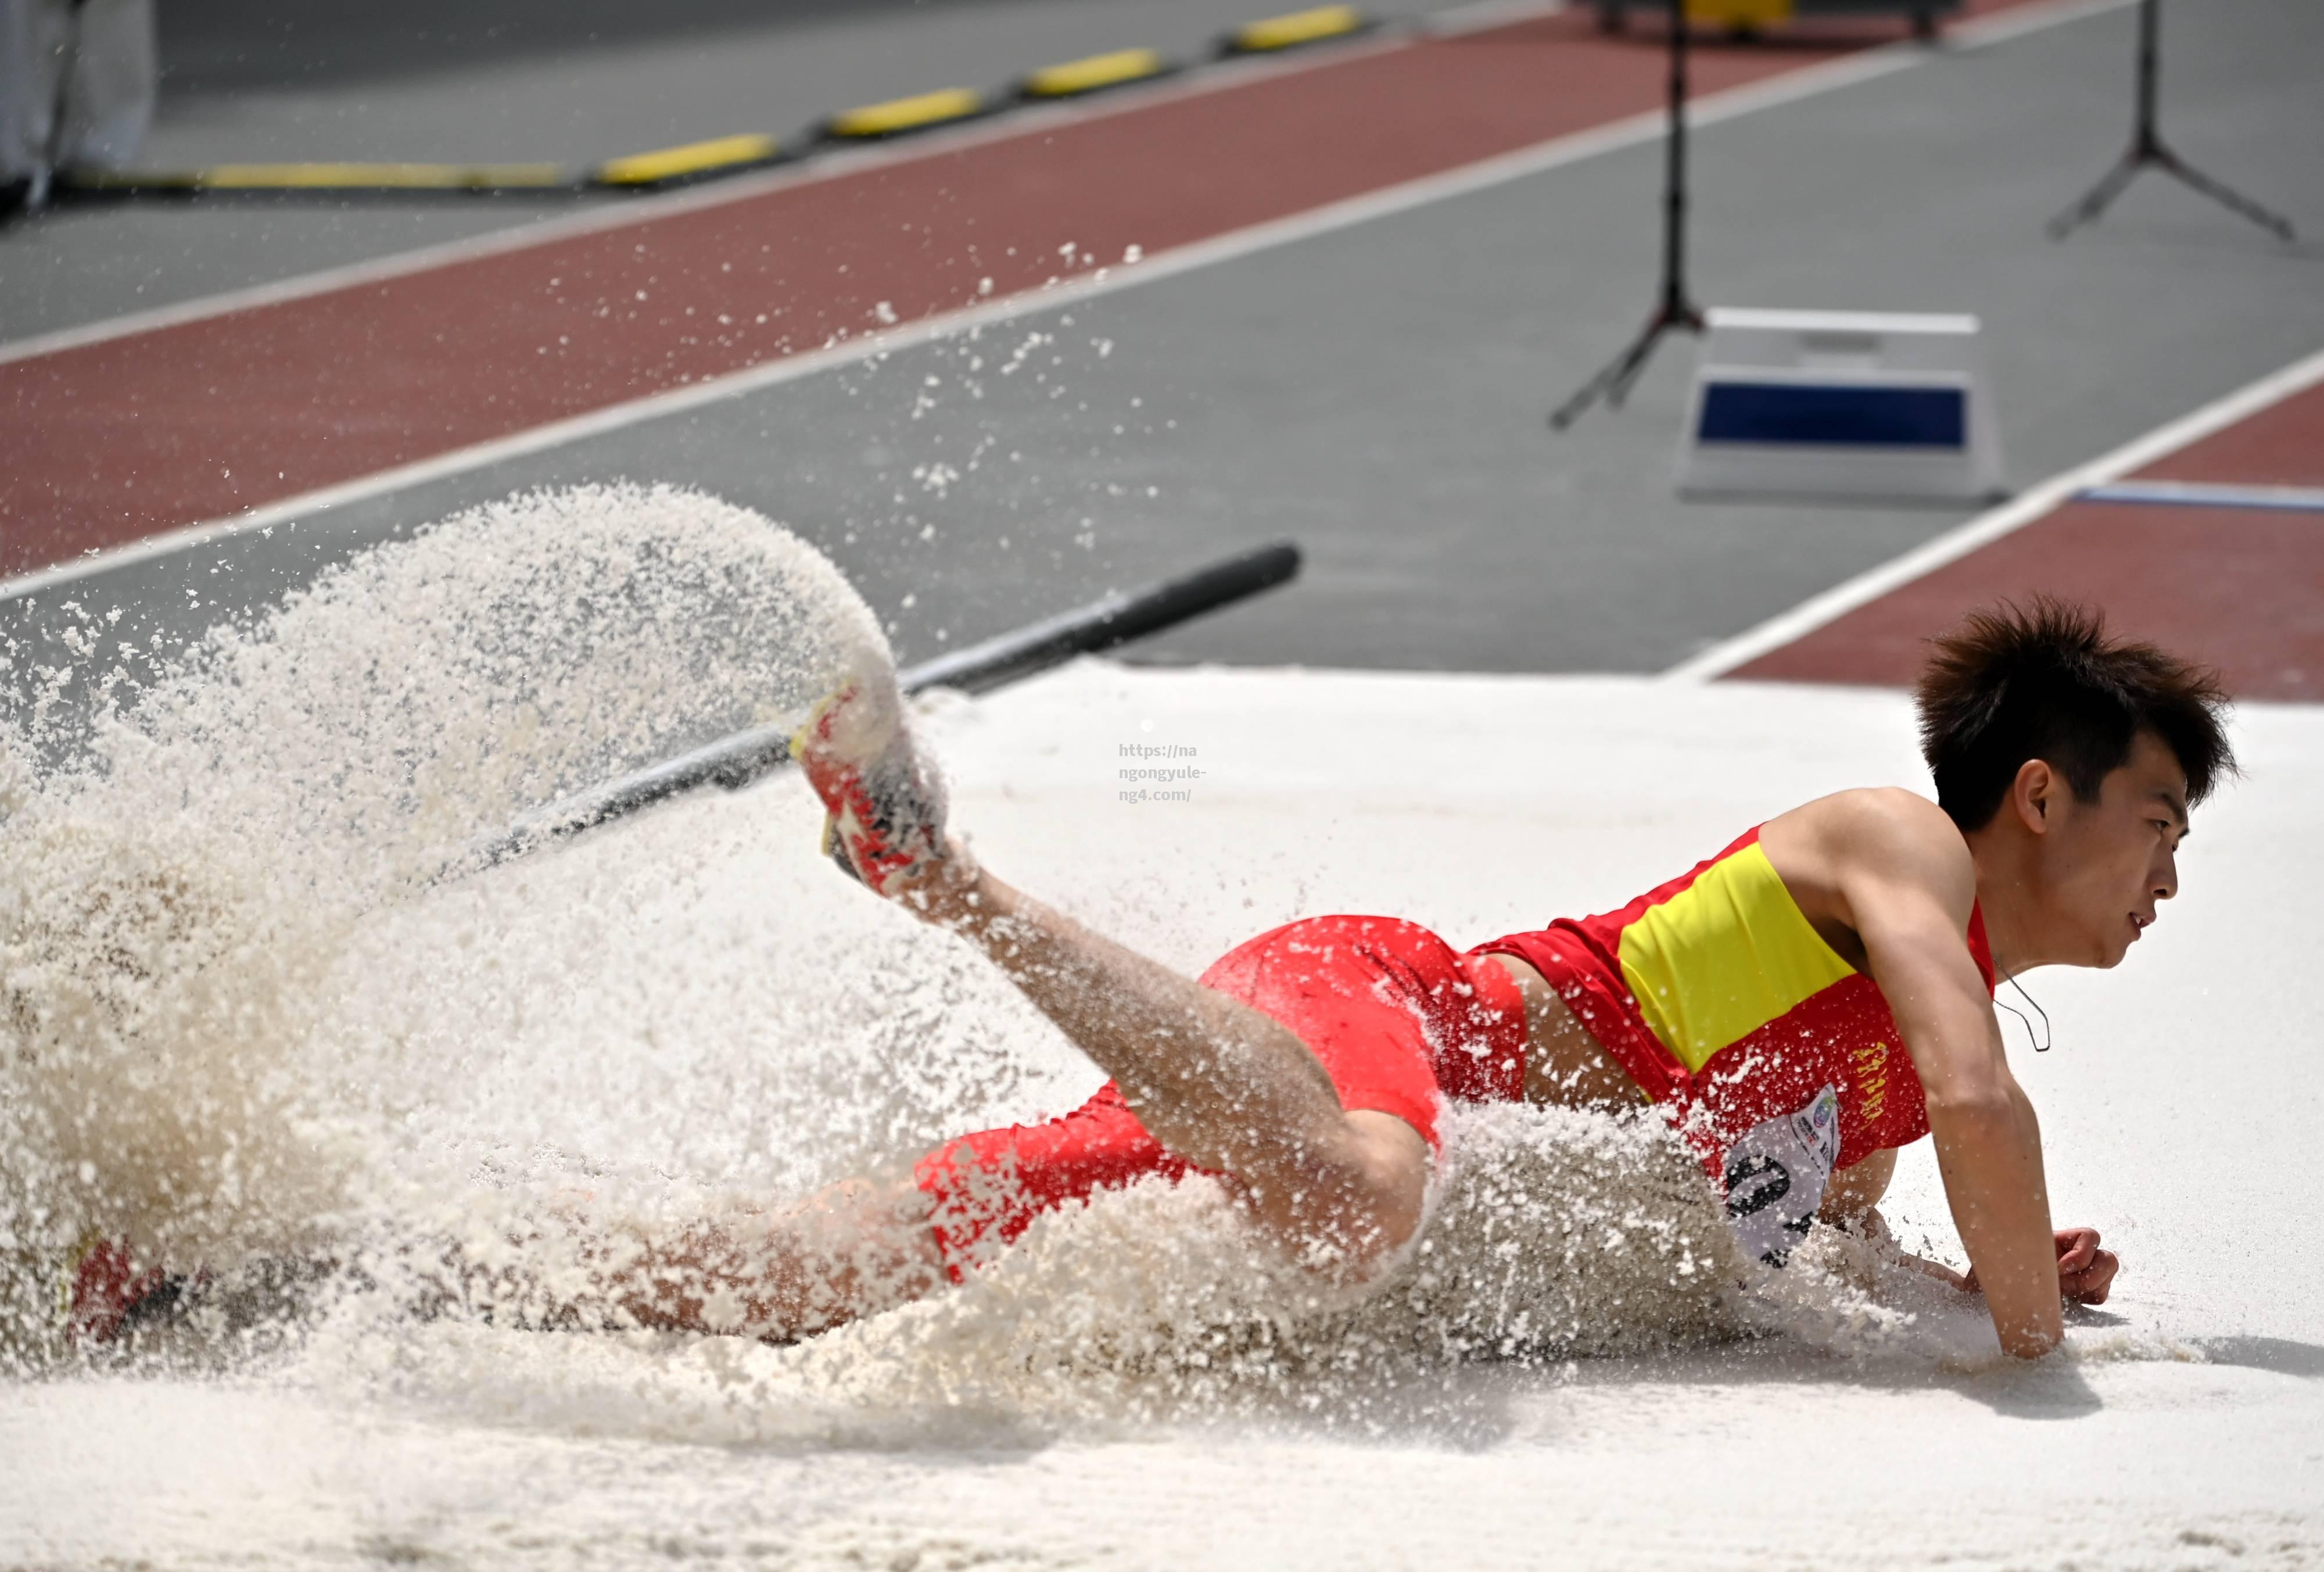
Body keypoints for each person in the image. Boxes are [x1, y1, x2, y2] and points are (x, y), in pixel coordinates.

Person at [67, 597, 2229, 1358]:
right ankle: (952, 880)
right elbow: (1974, 1095)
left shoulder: (1882, 1067)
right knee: (1368, 1200)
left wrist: (1959, 1280)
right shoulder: (1889, 846)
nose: (2166, 875)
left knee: (793, 1271)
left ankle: (222, 1262)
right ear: (2035, 797)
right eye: (2155, 819)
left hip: (1288, 1103)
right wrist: (2022, 1334)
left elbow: (1814, 1226)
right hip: (1372, 1017)